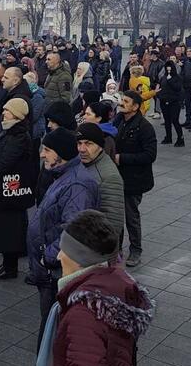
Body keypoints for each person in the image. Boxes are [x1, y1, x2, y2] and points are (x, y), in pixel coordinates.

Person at [35, 210, 152, 366]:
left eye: (65, 250)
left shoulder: (84, 315)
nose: (59, 256)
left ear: (80, 259)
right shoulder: (113, 289)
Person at [28, 128, 100, 346]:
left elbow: (73, 230)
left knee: (54, 330)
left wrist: (47, 258)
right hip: (51, 269)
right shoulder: (63, 175)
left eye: (47, 150)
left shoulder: (77, 184)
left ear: (62, 153)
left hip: (57, 271)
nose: (42, 154)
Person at [0, 98, 35, 280]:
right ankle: (6, 263)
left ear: (17, 115)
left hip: (10, 191)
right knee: (2, 227)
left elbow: (6, 161)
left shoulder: (20, 136)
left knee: (9, 229)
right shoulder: (7, 131)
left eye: (7, 110)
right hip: (1, 188)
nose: (3, 113)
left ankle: (10, 267)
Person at [113, 91, 157, 267]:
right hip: (117, 177)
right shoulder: (118, 120)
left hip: (134, 179)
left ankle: (135, 250)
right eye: (122, 100)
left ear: (136, 106)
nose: (121, 103)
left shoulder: (144, 127)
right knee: (116, 215)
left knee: (131, 216)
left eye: (126, 101)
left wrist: (122, 158)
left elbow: (150, 155)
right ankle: (116, 249)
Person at [75, 123, 125, 242]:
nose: (82, 149)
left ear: (100, 146)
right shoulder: (82, 163)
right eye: (79, 143)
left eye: (88, 143)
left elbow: (113, 224)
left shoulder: (109, 176)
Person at [158, 59, 184, 146]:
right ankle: (168, 137)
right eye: (167, 68)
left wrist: (170, 81)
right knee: (167, 121)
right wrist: (160, 96)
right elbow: (160, 87)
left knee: (175, 120)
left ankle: (180, 138)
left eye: (170, 68)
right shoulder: (163, 77)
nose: (168, 70)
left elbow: (178, 88)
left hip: (174, 102)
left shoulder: (177, 77)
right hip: (164, 101)